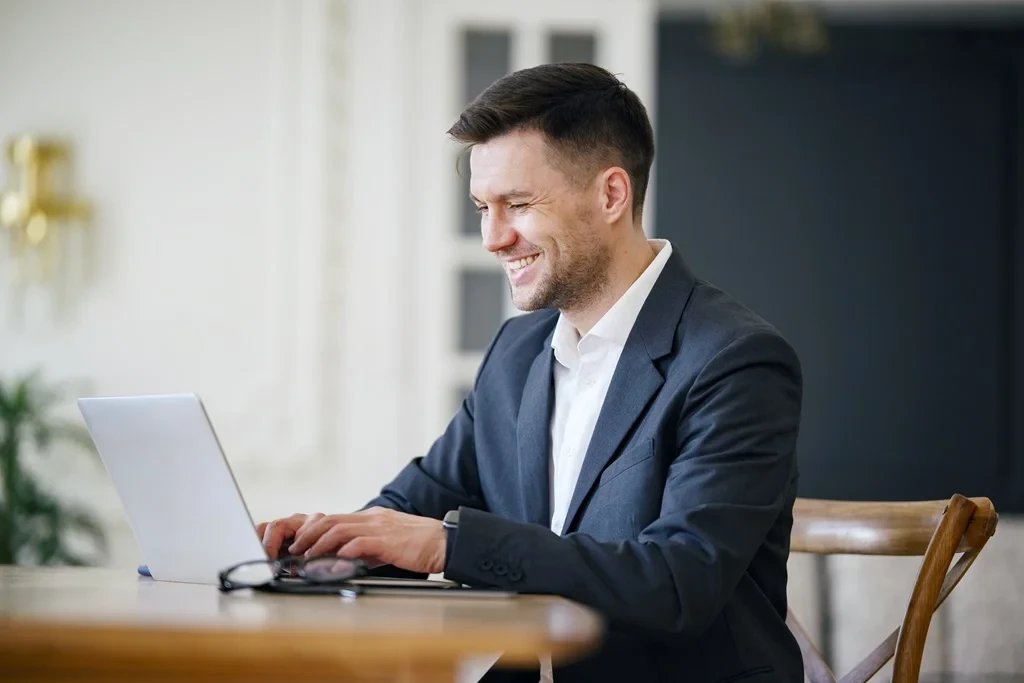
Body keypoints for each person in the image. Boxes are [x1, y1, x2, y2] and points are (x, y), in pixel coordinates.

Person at [258, 63, 804, 683]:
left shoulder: (736, 359)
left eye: (517, 204)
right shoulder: (517, 353)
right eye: (481, 208)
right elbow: (416, 502)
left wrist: (449, 544)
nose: (493, 238)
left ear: (611, 195)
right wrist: (313, 551)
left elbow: (679, 582)